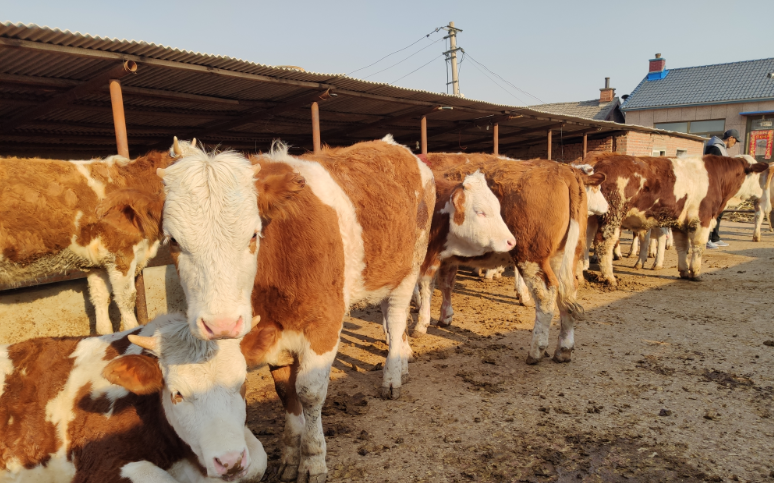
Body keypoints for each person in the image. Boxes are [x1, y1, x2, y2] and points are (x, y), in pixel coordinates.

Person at [704, 129, 741, 249]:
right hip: (713, 184)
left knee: (719, 211)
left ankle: (715, 237)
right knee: (711, 212)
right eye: (735, 141)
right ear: (731, 138)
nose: (734, 144)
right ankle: (707, 239)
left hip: (720, 185)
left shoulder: (721, 148)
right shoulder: (715, 148)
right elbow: (713, 167)